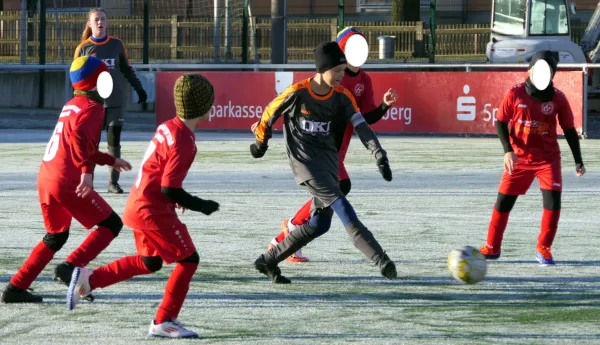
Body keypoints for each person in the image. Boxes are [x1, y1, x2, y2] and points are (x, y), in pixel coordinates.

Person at [66, 74, 220, 339]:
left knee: (150, 261)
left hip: (138, 204)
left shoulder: (168, 126)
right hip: (152, 210)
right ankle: (164, 320)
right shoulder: (185, 139)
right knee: (188, 260)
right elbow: (169, 188)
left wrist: (175, 197)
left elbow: (159, 174)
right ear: (205, 106)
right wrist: (201, 205)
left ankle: (90, 279)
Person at [251, 41, 397, 284]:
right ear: (322, 69)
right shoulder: (298, 92)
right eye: (338, 70)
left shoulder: (343, 97)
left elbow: (362, 126)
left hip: (329, 164)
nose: (342, 75)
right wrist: (260, 143)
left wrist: (378, 154)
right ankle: (381, 260)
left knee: (320, 224)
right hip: (305, 165)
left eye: (343, 70)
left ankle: (267, 260)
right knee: (343, 206)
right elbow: (270, 113)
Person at [1, 56, 132, 303]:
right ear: (95, 83)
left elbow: (80, 144)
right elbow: (81, 143)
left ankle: (16, 287)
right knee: (111, 225)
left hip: (47, 177)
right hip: (66, 180)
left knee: (55, 236)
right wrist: (87, 173)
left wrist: (109, 161)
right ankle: (70, 267)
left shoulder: (72, 103)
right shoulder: (94, 109)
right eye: (105, 76)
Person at [479, 50, 585, 265]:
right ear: (530, 70)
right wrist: (508, 151)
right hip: (519, 159)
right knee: (503, 204)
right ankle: (492, 247)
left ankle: (544, 248)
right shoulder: (515, 93)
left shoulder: (558, 98)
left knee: (553, 204)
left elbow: (570, 130)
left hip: (548, 160)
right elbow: (500, 122)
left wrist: (578, 160)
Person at [75, 7, 148, 194]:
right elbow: (77, 80)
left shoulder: (116, 44)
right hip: (93, 105)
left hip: (115, 102)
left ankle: (113, 183)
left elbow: (126, 69)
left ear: (107, 22)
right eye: (96, 19)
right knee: (92, 145)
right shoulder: (83, 48)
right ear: (90, 24)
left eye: (103, 19)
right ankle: (88, 182)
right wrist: (78, 103)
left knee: (114, 142)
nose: (100, 22)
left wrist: (139, 88)